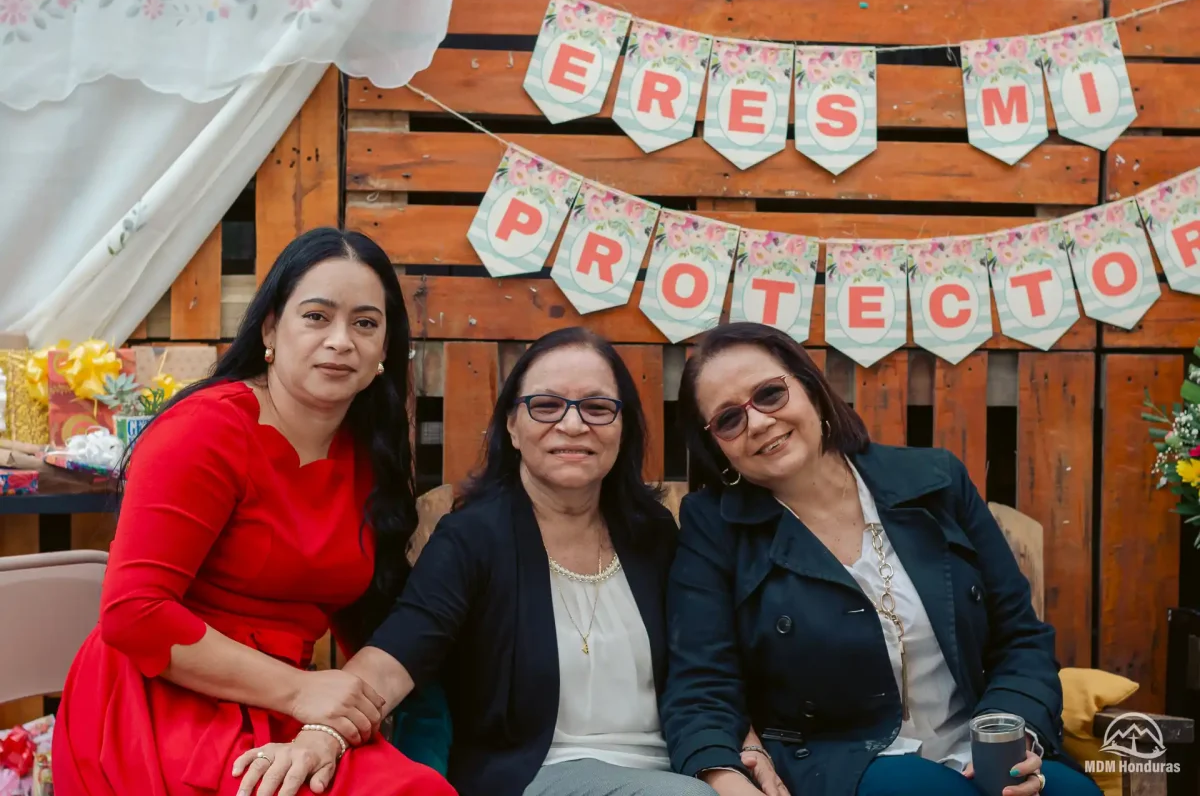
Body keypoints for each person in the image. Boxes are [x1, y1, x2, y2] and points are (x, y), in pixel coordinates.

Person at [235, 327, 781, 796]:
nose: (572, 426)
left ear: (622, 428)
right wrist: (319, 736)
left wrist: (743, 743)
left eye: (597, 407)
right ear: (513, 428)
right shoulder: (473, 538)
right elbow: (395, 655)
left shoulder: (654, 534)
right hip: (536, 776)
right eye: (546, 406)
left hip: (672, 771)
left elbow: (703, 666)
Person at [51, 228, 456, 796]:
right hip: (162, 701)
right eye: (317, 316)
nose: (341, 340)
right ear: (271, 327)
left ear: (386, 349)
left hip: (288, 705)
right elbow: (133, 612)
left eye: (365, 323)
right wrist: (299, 692)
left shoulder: (369, 453)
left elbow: (366, 612)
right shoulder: (206, 430)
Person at [659, 322, 1101, 796]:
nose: (760, 422)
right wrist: (723, 769)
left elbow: (1021, 638)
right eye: (729, 419)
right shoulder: (715, 527)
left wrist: (1010, 735)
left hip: (980, 744)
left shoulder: (936, 481)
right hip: (844, 762)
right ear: (716, 447)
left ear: (810, 388)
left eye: (769, 394)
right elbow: (700, 684)